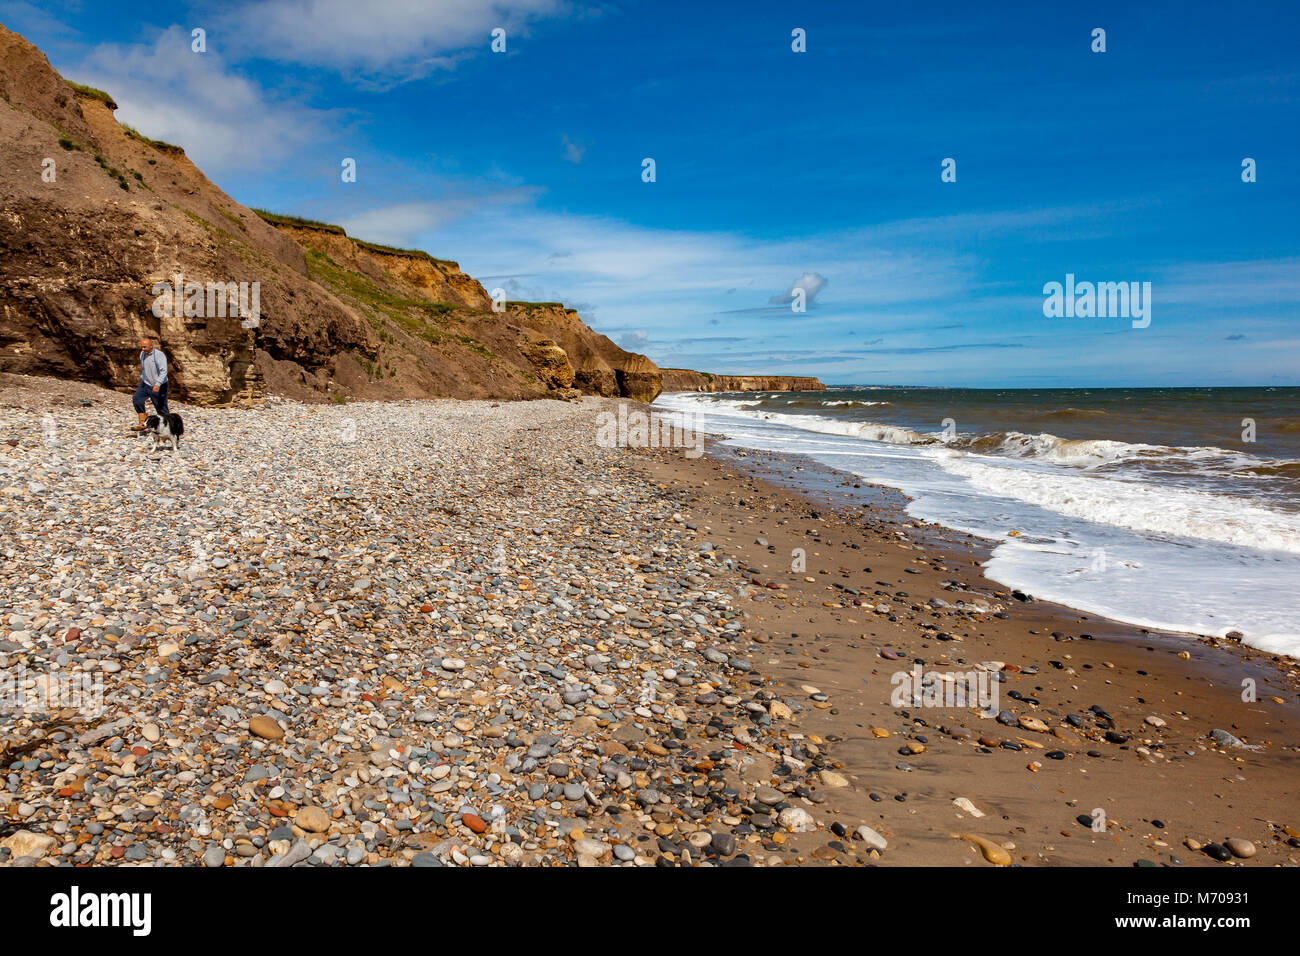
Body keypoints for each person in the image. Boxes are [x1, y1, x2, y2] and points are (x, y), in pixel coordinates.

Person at [132, 336, 170, 431]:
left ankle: (168, 426)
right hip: (145, 384)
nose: (142, 349)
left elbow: (164, 371)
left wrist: (157, 384)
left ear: (151, 346)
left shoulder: (159, 355)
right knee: (137, 399)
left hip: (159, 385)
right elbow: (144, 368)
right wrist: (143, 378)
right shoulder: (142, 354)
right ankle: (143, 422)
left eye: (144, 347)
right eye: (141, 347)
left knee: (161, 408)